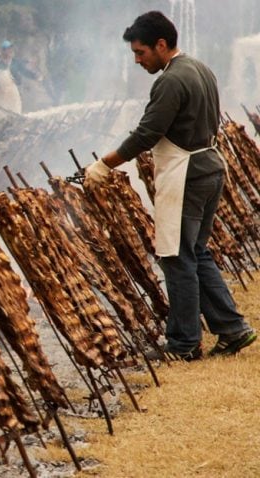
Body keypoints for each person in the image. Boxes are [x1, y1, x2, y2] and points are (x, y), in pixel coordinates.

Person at [84, 11, 256, 361]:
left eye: (141, 52)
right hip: (208, 167)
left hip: (188, 172)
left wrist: (105, 163)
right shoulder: (199, 68)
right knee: (196, 252)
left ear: (161, 45)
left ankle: (184, 343)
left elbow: (148, 132)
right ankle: (232, 329)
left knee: (176, 256)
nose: (137, 60)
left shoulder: (171, 80)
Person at [0, 39, 22, 118]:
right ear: (3, 50)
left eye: (10, 49)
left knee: (14, 115)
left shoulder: (14, 62)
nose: (10, 51)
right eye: (7, 49)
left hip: (11, 95)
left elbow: (20, 76)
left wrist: (19, 81)